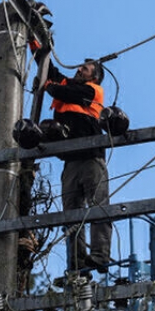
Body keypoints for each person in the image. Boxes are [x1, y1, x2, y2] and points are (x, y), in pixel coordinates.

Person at [42, 58, 112, 273]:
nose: (79, 69)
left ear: (95, 76)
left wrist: (49, 86)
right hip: (71, 161)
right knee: (72, 214)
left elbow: (65, 93)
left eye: (85, 69)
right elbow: (49, 69)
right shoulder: (68, 85)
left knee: (98, 206)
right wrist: (37, 44)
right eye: (80, 67)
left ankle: (100, 256)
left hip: (91, 158)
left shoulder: (93, 91)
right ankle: (76, 263)